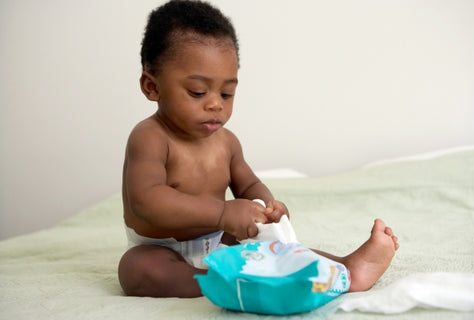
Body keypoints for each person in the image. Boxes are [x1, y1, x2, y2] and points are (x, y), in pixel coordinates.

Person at [118, 0, 399, 298]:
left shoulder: (227, 142)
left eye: (227, 93)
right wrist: (222, 212)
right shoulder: (150, 137)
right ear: (152, 87)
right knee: (136, 270)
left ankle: (345, 269)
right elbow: (147, 202)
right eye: (197, 92)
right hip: (161, 248)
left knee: (272, 244)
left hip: (219, 238)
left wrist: (268, 208)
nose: (216, 103)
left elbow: (248, 184)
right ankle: (218, 282)